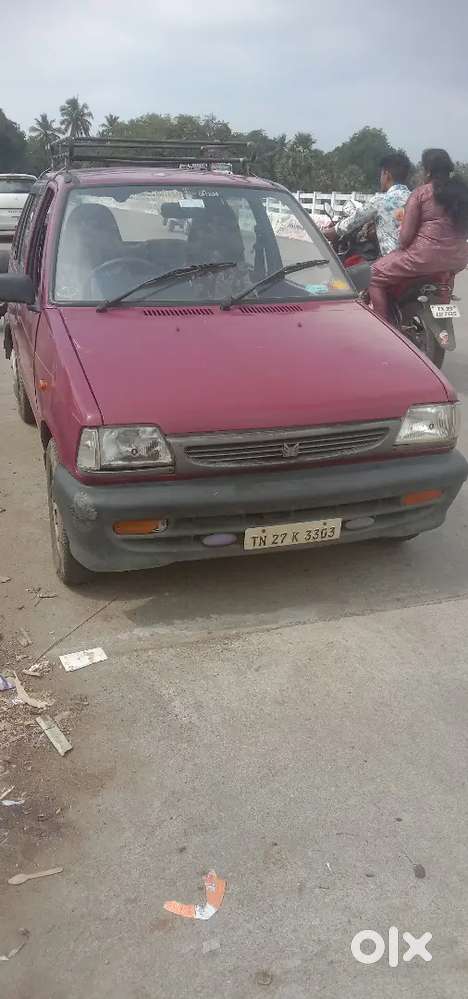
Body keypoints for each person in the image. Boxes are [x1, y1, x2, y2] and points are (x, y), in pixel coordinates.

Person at [369, 149, 468, 320]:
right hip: (458, 258)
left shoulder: (421, 193)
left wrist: (401, 244)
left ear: (428, 171)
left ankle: (383, 327)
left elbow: (405, 238)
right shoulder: (462, 193)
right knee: (444, 279)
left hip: (423, 257)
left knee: (372, 276)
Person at [324, 153, 411, 255]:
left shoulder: (380, 200)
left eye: (381, 174)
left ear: (387, 175)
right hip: (412, 261)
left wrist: (331, 232)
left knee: (352, 271)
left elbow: (354, 220)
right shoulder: (415, 198)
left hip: (390, 264)